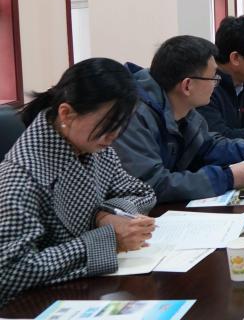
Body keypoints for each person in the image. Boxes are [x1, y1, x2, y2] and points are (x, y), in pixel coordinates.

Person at [0, 59, 157, 305]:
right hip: (37, 304)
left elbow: (142, 192)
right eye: (107, 125)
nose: (114, 136)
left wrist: (105, 215)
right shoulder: (21, 176)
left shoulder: (94, 147)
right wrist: (108, 239)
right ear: (66, 114)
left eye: (121, 125)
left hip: (90, 289)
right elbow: (10, 272)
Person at [116, 36, 244, 203]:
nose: (216, 84)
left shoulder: (183, 108)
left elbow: (208, 146)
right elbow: (153, 184)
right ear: (187, 85)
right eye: (213, 78)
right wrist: (226, 178)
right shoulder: (134, 117)